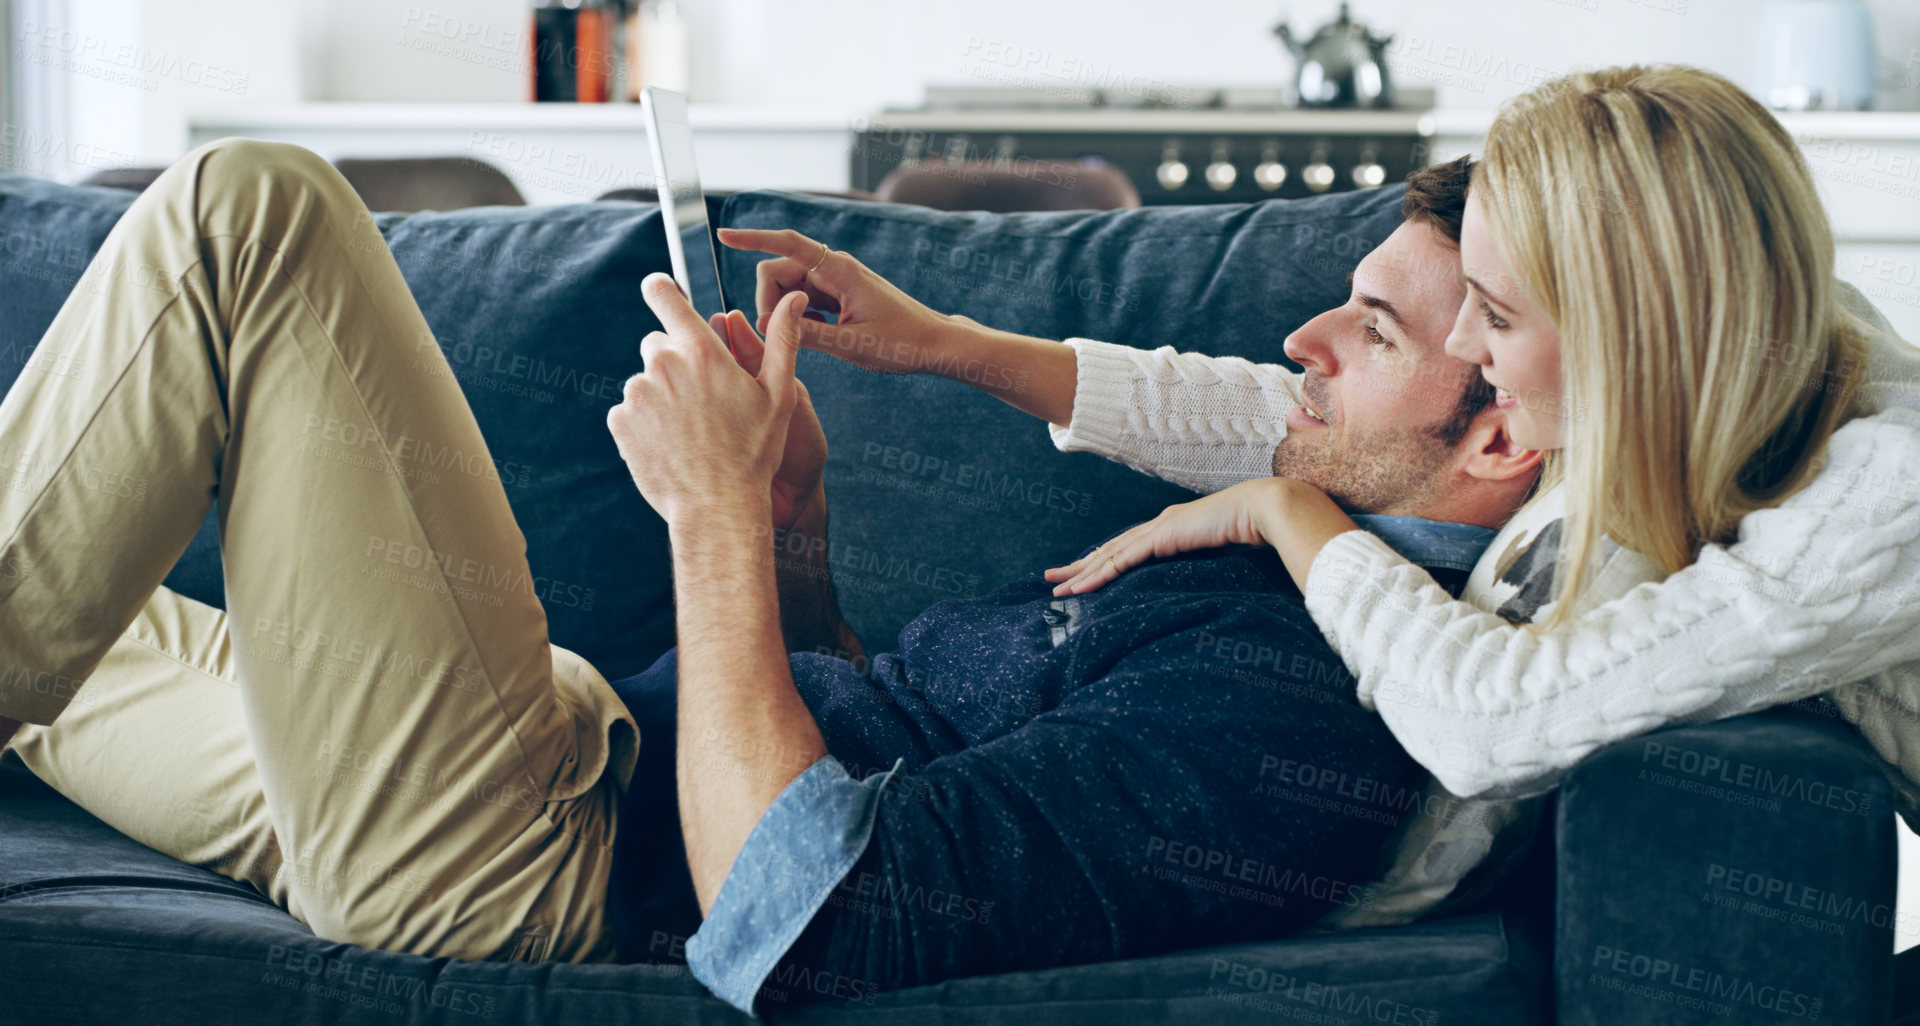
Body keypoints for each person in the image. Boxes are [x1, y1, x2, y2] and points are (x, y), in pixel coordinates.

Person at [0, 140, 1530, 1012]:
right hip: (539, 753)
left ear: (1498, 435)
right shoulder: (1265, 556)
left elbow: (804, 911)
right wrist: (792, 533)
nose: (1300, 344)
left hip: (529, 862)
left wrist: (712, 522)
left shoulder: (1299, 708)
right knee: (64, 606)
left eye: (1373, 334)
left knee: (251, 217)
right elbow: (877, 746)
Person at [742, 65, 1920, 860]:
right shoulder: (1726, 353)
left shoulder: (1894, 494)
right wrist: (951, 345)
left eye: (1498, 315)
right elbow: (1330, 417)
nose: (1471, 348)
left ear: (1632, 332)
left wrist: (1290, 518)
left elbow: (1491, 726)